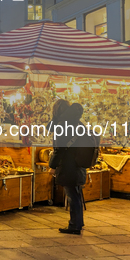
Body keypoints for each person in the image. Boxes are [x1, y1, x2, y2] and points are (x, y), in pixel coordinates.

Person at [48, 99, 86, 235]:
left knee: (72, 195)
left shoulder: (62, 126)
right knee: (76, 194)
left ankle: (74, 226)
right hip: (78, 164)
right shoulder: (76, 123)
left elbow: (59, 149)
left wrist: (52, 165)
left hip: (68, 165)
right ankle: (78, 222)